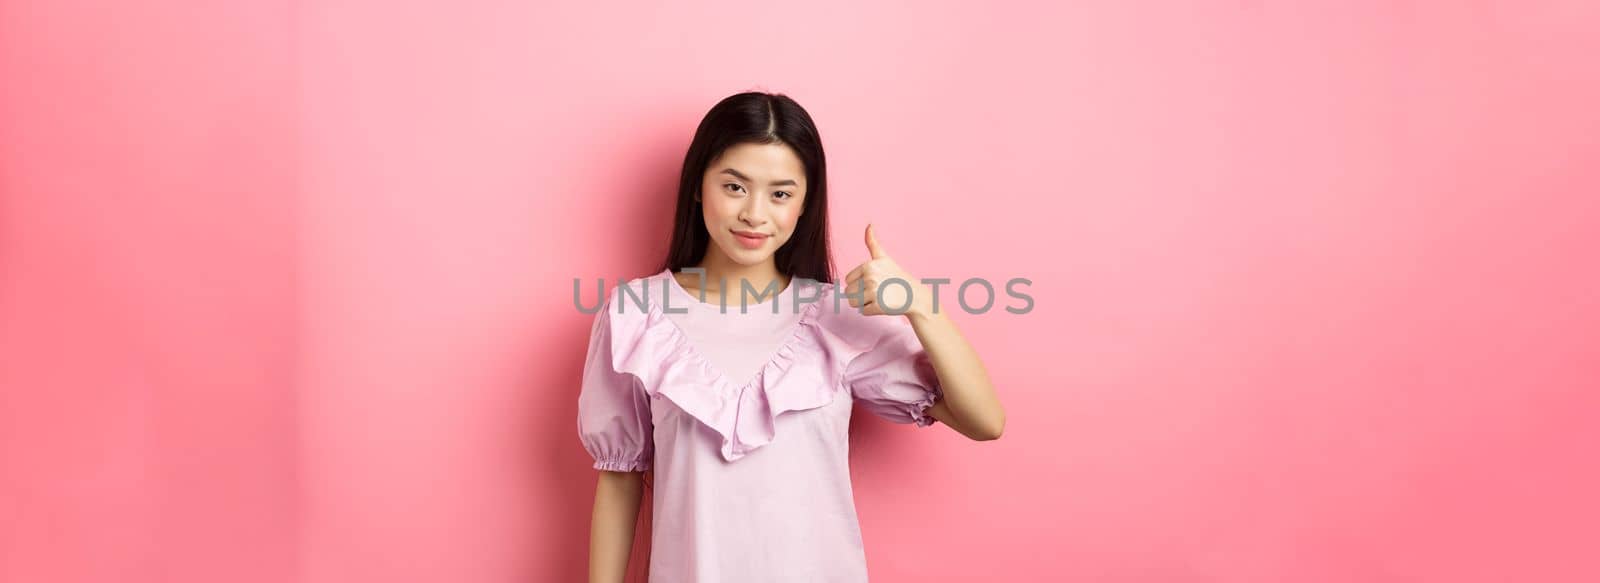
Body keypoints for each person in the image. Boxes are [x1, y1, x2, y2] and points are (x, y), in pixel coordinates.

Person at [578, 91, 1005, 582]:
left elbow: (984, 420)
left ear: (804, 204)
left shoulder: (836, 316)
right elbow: (619, 478)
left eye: (780, 194)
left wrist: (921, 307)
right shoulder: (638, 313)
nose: (755, 214)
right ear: (698, 186)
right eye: (735, 187)